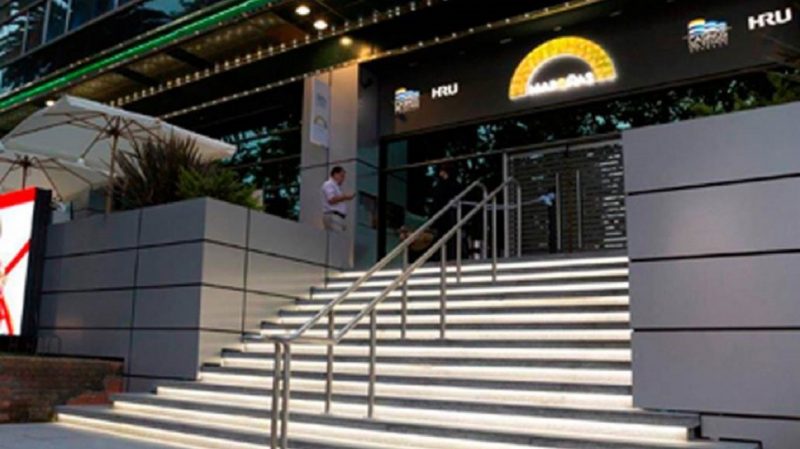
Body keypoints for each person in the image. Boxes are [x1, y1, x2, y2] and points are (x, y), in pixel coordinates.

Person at [430, 163, 462, 260]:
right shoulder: (443, 185)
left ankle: (448, 256)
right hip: (444, 217)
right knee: (444, 238)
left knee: (448, 238)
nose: (440, 173)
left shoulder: (448, 185)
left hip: (448, 217)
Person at [321, 166, 355, 232]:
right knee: (336, 237)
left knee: (338, 236)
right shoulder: (329, 184)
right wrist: (345, 197)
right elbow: (331, 199)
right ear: (335, 174)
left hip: (337, 217)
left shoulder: (336, 187)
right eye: (342, 176)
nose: (343, 179)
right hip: (333, 215)